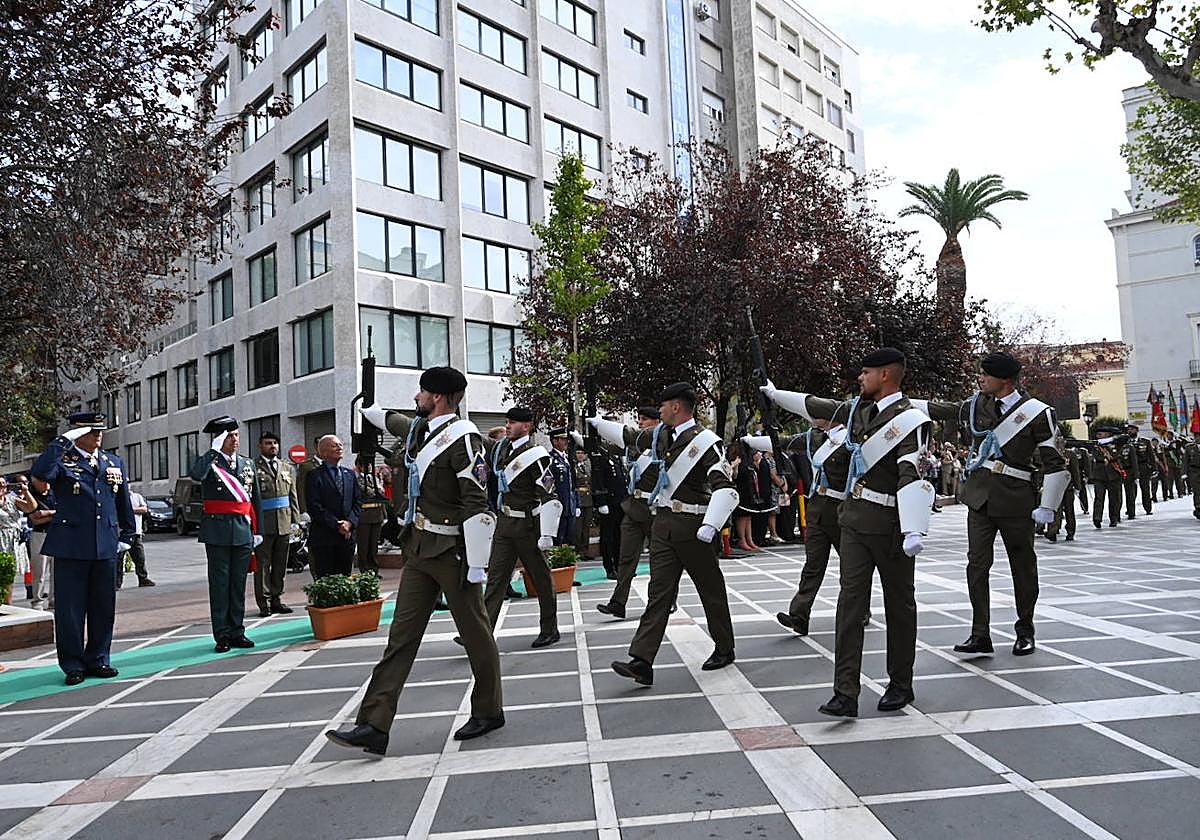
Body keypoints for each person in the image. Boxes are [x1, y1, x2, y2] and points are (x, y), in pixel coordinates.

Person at [327, 366, 504, 754]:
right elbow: (400, 421)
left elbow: (477, 502)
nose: (417, 397)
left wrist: (477, 561)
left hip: (453, 553)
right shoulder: (423, 432)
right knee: (400, 639)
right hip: (420, 549)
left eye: (422, 392)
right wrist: (369, 409)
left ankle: (489, 710)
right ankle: (374, 724)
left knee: (476, 634)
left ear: (438, 397)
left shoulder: (465, 441)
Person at [763, 349, 933, 716]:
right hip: (853, 519)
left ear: (886, 375)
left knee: (899, 605)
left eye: (866, 372)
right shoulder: (859, 411)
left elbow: (911, 471)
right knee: (849, 606)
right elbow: (816, 405)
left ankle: (900, 683)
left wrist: (913, 527)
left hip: (890, 524)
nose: (860, 378)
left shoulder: (911, 420)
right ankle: (845, 692)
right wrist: (776, 395)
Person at [920, 352, 1069, 658]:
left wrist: (1049, 507)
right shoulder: (978, 404)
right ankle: (980, 633)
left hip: (1016, 498)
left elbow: (1055, 463)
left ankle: (1025, 630)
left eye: (986, 375)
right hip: (980, 498)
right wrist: (902, 403)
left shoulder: (1037, 413)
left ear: (1004, 380)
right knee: (976, 566)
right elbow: (944, 410)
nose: (981, 379)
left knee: (1023, 567)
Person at [591, 382, 740, 686]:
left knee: (710, 590)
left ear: (676, 407)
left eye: (662, 405)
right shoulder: (661, 436)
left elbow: (723, 486)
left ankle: (725, 647)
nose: (658, 411)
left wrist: (711, 525)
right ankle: (642, 661)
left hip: (694, 527)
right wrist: (596, 423)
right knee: (658, 594)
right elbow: (630, 438)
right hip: (664, 525)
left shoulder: (706, 443)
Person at [32, 412, 135, 685]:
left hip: (105, 544)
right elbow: (41, 473)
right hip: (71, 545)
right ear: (77, 434)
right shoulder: (63, 460)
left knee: (103, 607)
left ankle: (99, 658)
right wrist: (62, 442)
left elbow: (122, 500)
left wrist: (128, 535)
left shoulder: (113, 462)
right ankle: (73, 663)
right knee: (70, 610)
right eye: (92, 431)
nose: (99, 435)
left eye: (100, 430)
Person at [479, 407, 563, 648]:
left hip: (528, 524)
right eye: (507, 422)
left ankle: (550, 629)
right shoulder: (502, 448)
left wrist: (547, 532)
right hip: (505, 523)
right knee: (495, 579)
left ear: (526, 426)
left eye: (513, 423)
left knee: (540, 579)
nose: (508, 426)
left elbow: (548, 492)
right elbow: (483, 443)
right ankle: (482, 633)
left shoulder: (536, 455)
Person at [190, 416, 262, 653]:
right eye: (229, 436)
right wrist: (212, 451)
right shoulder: (210, 463)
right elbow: (196, 475)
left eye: (236, 435)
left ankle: (237, 630)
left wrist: (257, 530)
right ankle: (221, 634)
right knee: (220, 585)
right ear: (219, 438)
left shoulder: (247, 463)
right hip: (218, 531)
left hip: (242, 530)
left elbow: (255, 500)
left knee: (238, 584)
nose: (234, 440)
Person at [595, 406, 662, 619]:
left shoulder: (663, 442)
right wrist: (590, 434)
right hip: (634, 507)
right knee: (626, 558)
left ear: (655, 422)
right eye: (639, 419)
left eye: (644, 420)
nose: (640, 423)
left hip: (655, 509)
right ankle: (618, 602)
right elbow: (612, 447)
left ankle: (665, 600)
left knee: (660, 559)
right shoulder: (636, 446)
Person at [253, 430, 300, 616]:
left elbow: (293, 496)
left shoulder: (286, 467)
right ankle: (263, 603)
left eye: (274, 443)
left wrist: (296, 521)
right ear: (260, 446)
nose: (272, 446)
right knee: (263, 565)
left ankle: (276, 598)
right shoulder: (253, 467)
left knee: (280, 564)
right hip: (264, 524)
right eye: (267, 443)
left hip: (284, 522)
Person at [305, 435, 362, 577]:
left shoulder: (349, 474)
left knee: (345, 578)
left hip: (347, 537)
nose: (339, 447)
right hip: (325, 537)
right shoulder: (314, 475)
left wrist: (350, 523)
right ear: (323, 452)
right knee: (326, 580)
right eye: (334, 445)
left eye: (340, 445)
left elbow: (358, 502)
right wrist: (337, 525)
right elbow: (314, 506)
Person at [0, 475, 35, 600]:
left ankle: (7, 605)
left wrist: (26, 491)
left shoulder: (12, 499)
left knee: (8, 576)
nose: (1, 486)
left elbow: (31, 507)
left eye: (3, 483)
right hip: (1, 540)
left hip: (12, 541)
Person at [1090, 426, 1128, 528]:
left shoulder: (1116, 443)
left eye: (1101, 434)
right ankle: (1097, 518)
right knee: (1099, 498)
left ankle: (1113, 519)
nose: (1098, 435)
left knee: (1114, 498)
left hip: (1113, 473)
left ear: (1107, 434)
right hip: (1099, 474)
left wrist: (1110, 439)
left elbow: (1125, 437)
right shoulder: (1095, 445)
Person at [26, 475, 55, 610]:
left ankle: (54, 598)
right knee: (39, 570)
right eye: (43, 480)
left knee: (56, 570)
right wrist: (54, 515)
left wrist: (46, 513)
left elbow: (63, 512)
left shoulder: (55, 493)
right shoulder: (31, 496)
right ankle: (37, 600)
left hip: (56, 534)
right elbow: (35, 519)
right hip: (39, 535)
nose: (46, 483)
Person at [355, 454, 387, 574]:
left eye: (369, 465)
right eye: (365, 465)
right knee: (364, 545)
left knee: (374, 546)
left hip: (377, 514)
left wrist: (384, 515)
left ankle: (374, 569)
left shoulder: (375, 478)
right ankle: (365, 570)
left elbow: (381, 494)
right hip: (364, 515)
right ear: (359, 466)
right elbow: (370, 492)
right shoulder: (357, 479)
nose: (368, 468)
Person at [119, 488, 155, 588]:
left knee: (140, 557)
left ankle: (143, 578)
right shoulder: (119, 498)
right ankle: (117, 582)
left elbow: (144, 509)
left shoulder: (137, 497)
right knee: (119, 559)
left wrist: (130, 510)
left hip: (136, 533)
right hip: (123, 533)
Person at [547, 429, 578, 545]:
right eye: (563, 439)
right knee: (559, 538)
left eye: (566, 439)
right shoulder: (550, 459)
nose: (566, 442)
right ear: (555, 441)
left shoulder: (567, 458)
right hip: (559, 505)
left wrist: (576, 503)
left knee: (570, 539)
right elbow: (548, 484)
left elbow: (572, 483)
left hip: (570, 505)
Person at [1048, 446, 1081, 543]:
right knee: (1054, 509)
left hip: (1067, 487)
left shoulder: (1070, 454)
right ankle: (1052, 531)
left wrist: (1077, 486)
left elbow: (1075, 471)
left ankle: (1070, 531)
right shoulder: (1050, 453)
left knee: (1069, 510)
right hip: (1054, 487)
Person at [1123, 423, 1150, 518]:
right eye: (1128, 430)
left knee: (1145, 489)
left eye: (1132, 429)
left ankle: (1147, 508)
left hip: (1143, 467)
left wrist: (1153, 468)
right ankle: (1130, 511)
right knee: (1130, 491)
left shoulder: (1145, 441)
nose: (1130, 431)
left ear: (1137, 430)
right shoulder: (1125, 443)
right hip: (1130, 469)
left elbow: (1150, 455)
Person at [1186, 436, 1200, 519]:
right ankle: (1198, 508)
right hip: (1194, 471)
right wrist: (1184, 473)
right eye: (1196, 437)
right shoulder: (1189, 447)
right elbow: (1185, 460)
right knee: (1197, 490)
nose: (1197, 438)